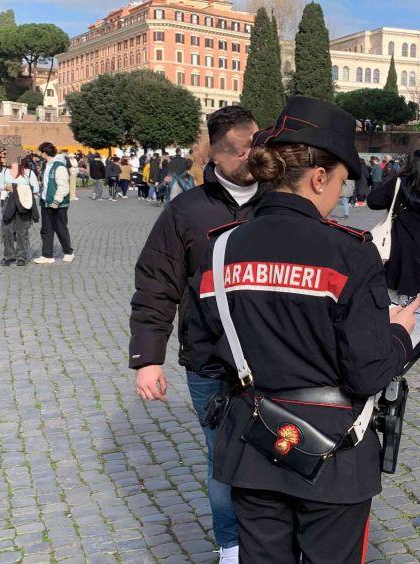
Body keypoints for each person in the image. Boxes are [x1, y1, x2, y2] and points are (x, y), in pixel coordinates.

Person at [186, 95, 419, 564]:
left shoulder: (219, 251)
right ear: (317, 177)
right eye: (339, 182)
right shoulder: (350, 253)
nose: (340, 195)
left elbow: (199, 354)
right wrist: (400, 332)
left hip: (253, 444)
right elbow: (369, 372)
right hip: (335, 451)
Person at [130, 106, 268, 564]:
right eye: (241, 151)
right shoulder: (184, 212)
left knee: (279, 452)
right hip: (211, 360)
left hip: (277, 357)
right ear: (214, 152)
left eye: (256, 148)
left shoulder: (280, 202)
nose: (251, 159)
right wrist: (148, 358)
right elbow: (156, 283)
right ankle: (230, 546)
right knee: (223, 458)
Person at [368, 149, 420, 299]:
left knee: (394, 302)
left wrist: (396, 178)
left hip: (398, 250)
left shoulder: (398, 183)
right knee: (418, 303)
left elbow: (372, 200)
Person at [34, 142, 74, 265]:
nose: (41, 155)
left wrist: (57, 200)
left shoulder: (59, 166)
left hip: (58, 203)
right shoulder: (47, 165)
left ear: (45, 152)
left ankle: (68, 252)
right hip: (46, 202)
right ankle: (47, 255)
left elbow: (63, 186)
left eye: (41, 152)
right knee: (46, 229)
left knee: (60, 228)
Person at [0, 158, 39, 266]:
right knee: (7, 230)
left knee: (22, 231)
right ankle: (9, 255)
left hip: (24, 204)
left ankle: (21, 256)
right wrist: (6, 187)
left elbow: (36, 188)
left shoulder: (28, 172)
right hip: (8, 203)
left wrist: (19, 188)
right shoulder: (5, 171)